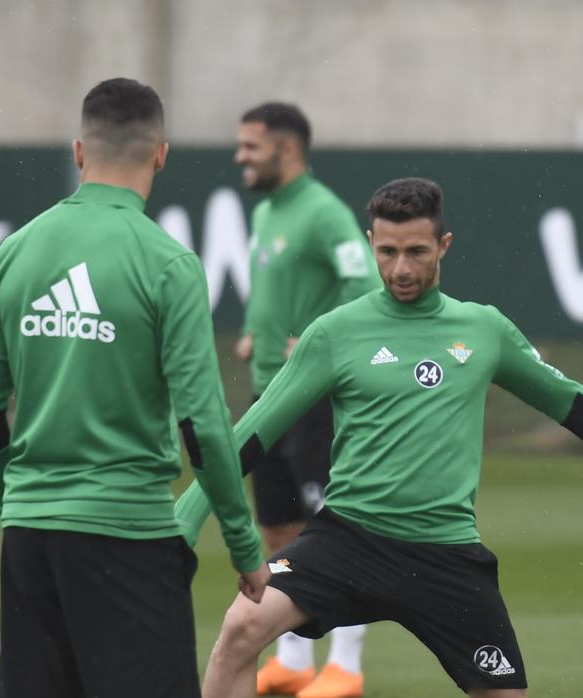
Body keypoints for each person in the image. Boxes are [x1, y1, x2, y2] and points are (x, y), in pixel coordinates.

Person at [173, 177, 583, 698]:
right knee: (242, 628)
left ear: (444, 244)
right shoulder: (334, 333)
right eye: (387, 251)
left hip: (444, 553)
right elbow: (251, 434)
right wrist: (189, 515)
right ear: (371, 241)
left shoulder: (483, 330)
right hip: (348, 539)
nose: (400, 269)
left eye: (416, 252)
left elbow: (577, 409)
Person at [0, 77, 269, 698]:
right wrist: (243, 542)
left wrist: (12, 499)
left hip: (31, 535)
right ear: (161, 154)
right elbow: (202, 427)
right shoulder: (170, 264)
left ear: (79, 152)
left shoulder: (16, 251)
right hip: (128, 533)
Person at [232, 102, 379, 698]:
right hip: (270, 393)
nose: (240, 156)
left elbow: (363, 281)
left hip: (316, 398)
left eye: (250, 145)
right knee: (276, 529)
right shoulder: (268, 210)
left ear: (287, 148)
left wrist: (319, 335)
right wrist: (253, 332)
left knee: (335, 528)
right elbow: (272, 289)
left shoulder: (322, 212)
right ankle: (293, 659)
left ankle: (345, 664)